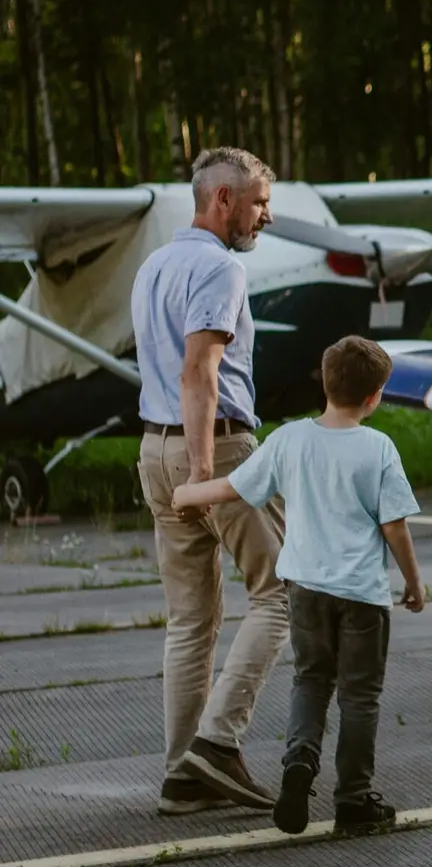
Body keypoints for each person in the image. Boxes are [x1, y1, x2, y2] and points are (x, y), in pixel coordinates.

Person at [172, 335, 424, 836]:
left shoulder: (289, 439)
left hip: (305, 590)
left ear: (323, 384)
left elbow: (234, 488)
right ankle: (353, 798)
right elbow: (394, 525)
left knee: (310, 682)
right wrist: (414, 581)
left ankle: (296, 774)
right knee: (359, 697)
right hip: (362, 597)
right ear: (375, 397)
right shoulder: (378, 448)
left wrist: (186, 492)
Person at [132, 146, 287, 817]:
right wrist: (201, 473)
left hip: (151, 448)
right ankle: (217, 744)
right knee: (283, 591)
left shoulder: (155, 265)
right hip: (213, 451)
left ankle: (181, 777)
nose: (266, 217)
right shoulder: (220, 268)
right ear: (222, 200)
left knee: (190, 619)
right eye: (258, 203)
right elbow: (201, 370)